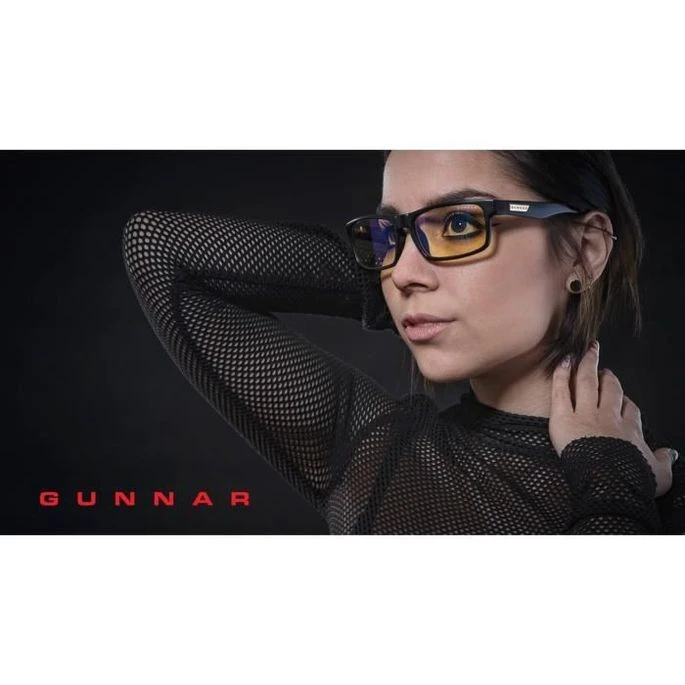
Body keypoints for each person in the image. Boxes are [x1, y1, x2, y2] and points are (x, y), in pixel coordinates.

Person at [121, 150, 683, 534]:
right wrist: (613, 484)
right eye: (390, 234)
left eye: (459, 224)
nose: (404, 272)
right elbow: (159, 249)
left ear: (585, 250)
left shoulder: (659, 485)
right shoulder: (380, 458)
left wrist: (612, 482)